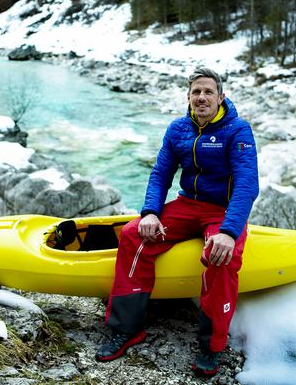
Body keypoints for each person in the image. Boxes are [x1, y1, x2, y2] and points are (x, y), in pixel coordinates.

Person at [95, 67, 259, 377]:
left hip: (221, 211)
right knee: (132, 236)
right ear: (188, 97)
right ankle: (127, 329)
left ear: (221, 97)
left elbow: (247, 185)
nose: (201, 97)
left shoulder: (238, 130)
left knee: (221, 257)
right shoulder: (178, 129)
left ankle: (212, 346)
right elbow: (161, 174)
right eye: (196, 91)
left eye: (208, 92)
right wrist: (151, 212)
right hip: (186, 205)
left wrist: (228, 232)